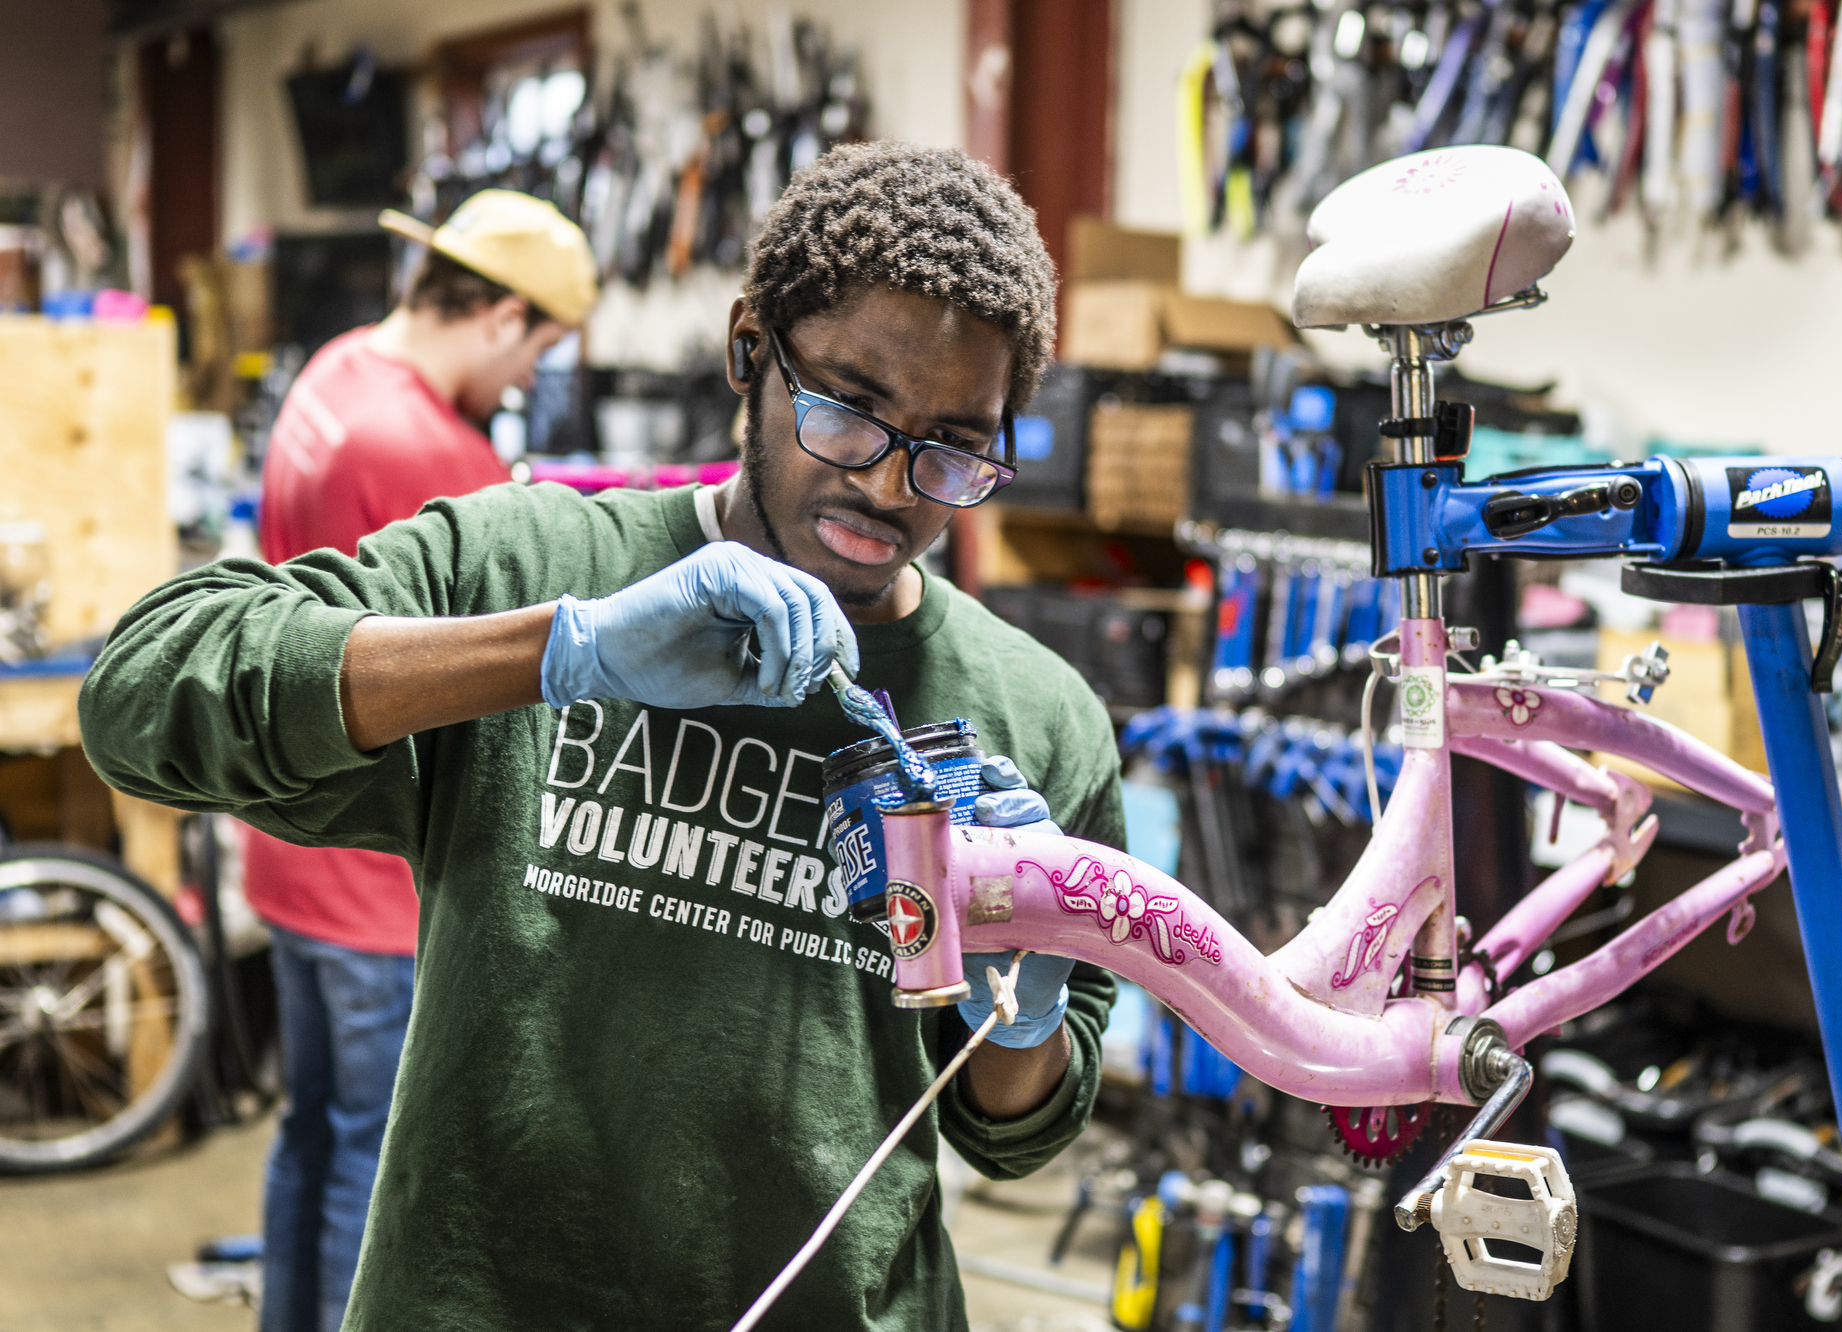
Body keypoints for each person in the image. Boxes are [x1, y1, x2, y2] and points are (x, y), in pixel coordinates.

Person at [81, 143, 1123, 1331]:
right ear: (750, 351)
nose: (891, 488)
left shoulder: (1039, 718)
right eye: (849, 412)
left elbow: (1013, 1130)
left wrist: (1019, 1006)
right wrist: (553, 652)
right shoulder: (530, 564)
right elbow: (142, 694)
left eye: (951, 445)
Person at [238, 189, 596, 1332]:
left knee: (311, 1131)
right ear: (496, 314)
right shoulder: (433, 449)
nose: (529, 379)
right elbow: (512, 659)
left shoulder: (336, 376)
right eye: (537, 347)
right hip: (373, 881)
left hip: (288, 842)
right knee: (378, 1165)